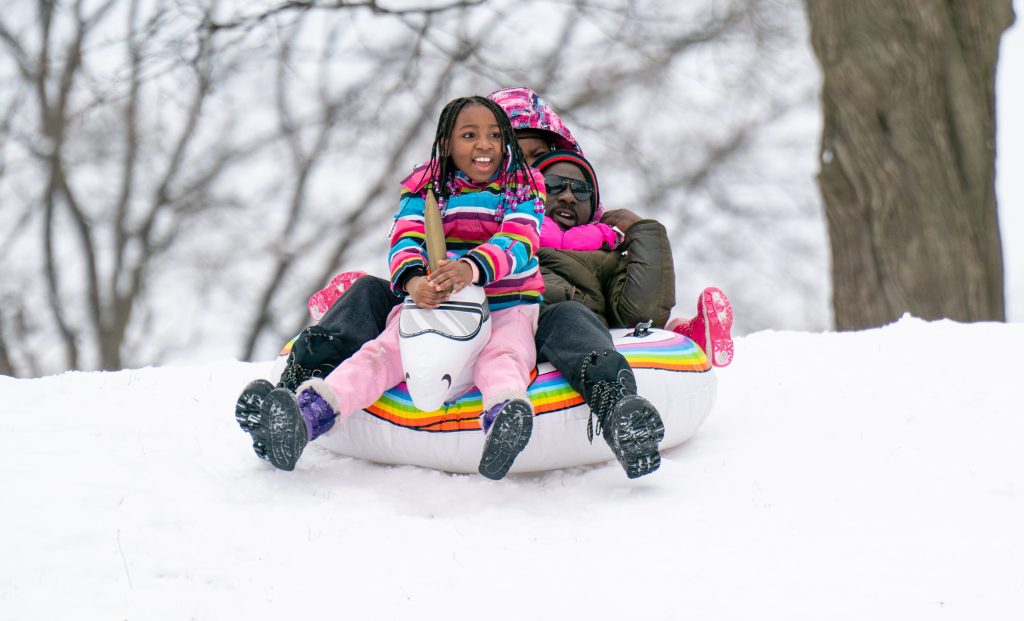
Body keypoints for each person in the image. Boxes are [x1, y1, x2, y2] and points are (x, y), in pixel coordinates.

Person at [235, 87, 712, 478]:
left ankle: (615, 408)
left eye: (543, 161)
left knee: (560, 315)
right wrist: (420, 274)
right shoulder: (455, 204)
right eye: (516, 154)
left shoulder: (589, 238)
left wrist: (636, 230)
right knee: (370, 292)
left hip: (530, 317)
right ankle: (292, 393)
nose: (539, 180)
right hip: (452, 308)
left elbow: (636, 307)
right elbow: (415, 234)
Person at [257, 95, 546, 480]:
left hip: (507, 302)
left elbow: (520, 238)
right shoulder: (428, 185)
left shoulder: (523, 184)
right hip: (438, 302)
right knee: (384, 352)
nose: (484, 145)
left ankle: (503, 419)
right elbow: (405, 237)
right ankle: (308, 417)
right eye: (469, 135)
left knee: (503, 355)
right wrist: (413, 281)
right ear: (446, 143)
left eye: (494, 135)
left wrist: (471, 267)